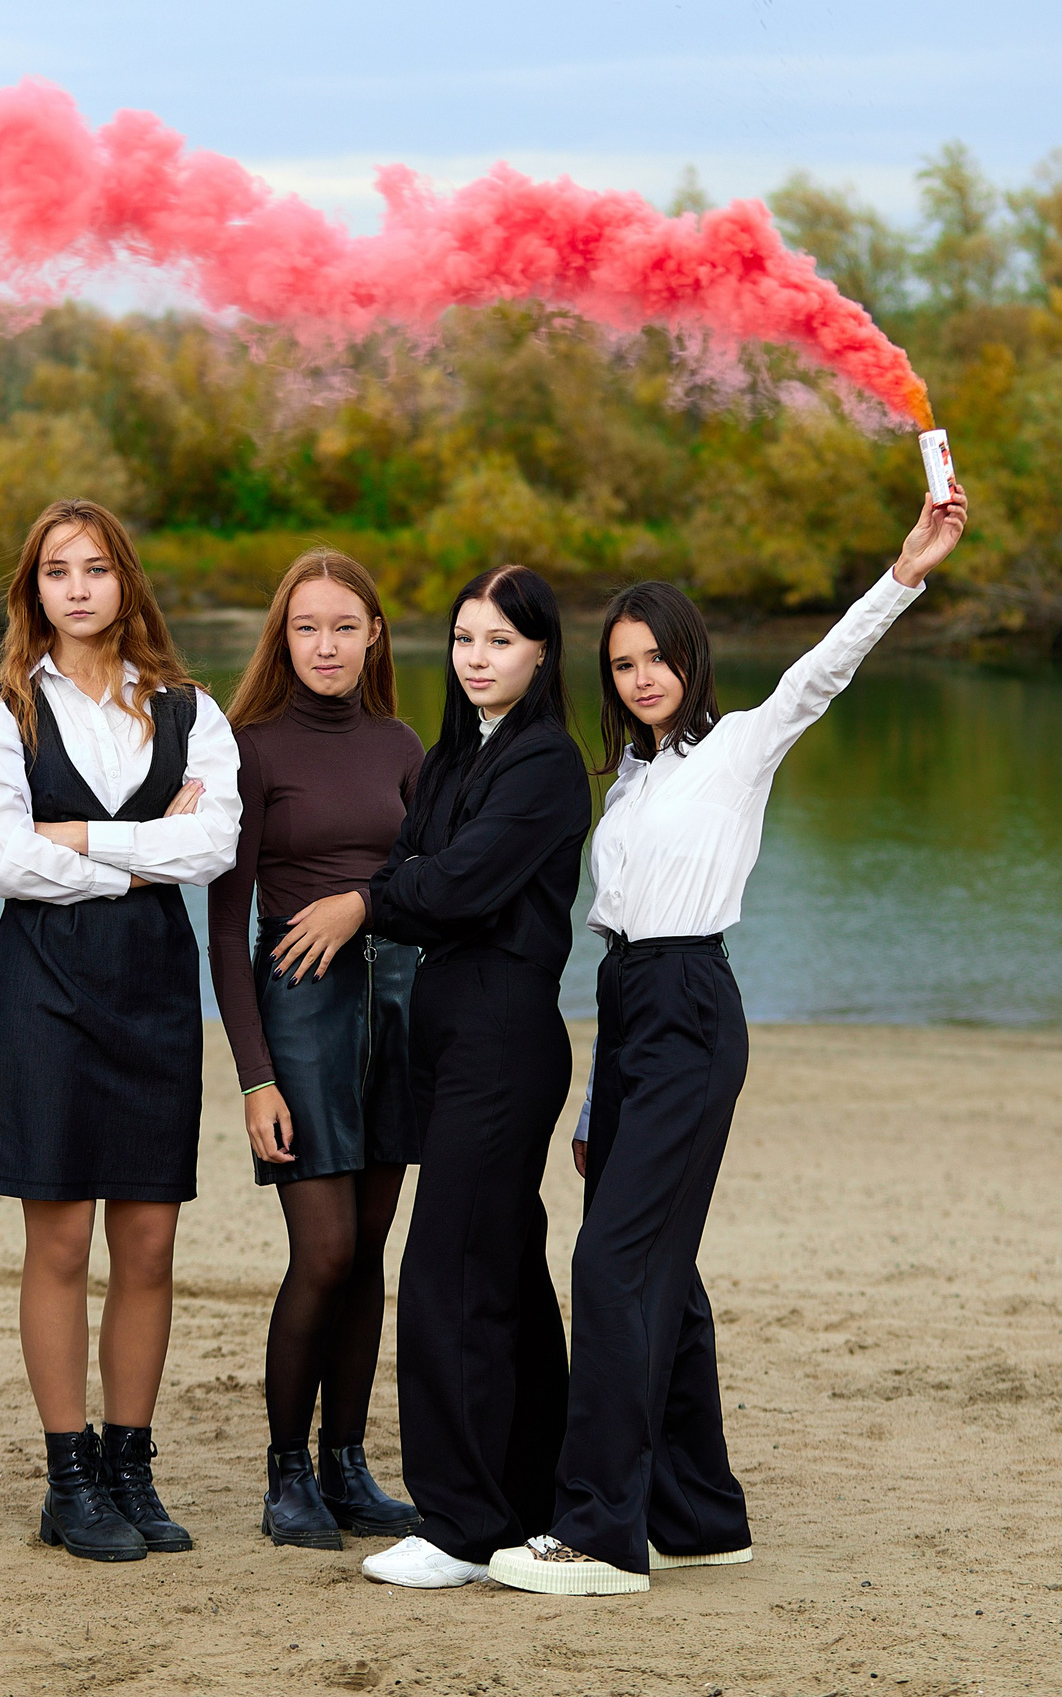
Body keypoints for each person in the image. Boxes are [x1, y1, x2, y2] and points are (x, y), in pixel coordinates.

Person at [487, 487, 969, 1598]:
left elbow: (826, 669)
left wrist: (907, 568)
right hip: (632, 1012)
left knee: (610, 1269)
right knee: (664, 1273)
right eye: (621, 664)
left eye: (657, 657)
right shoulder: (633, 783)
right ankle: (700, 1518)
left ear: (691, 660)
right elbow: (614, 943)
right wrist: (595, 1101)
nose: (641, 677)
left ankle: (602, 1535)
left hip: (695, 1004)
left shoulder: (742, 746)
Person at [0, 499, 242, 1564]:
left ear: (126, 582)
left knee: (152, 1243)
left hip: (155, 992)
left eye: (96, 568)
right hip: (45, 994)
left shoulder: (189, 708)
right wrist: (135, 852)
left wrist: (76, 835)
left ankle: (130, 1464)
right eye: (55, 571)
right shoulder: (0, 712)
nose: (77, 587)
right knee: (61, 1240)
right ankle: (68, 1476)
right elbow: (3, 861)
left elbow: (214, 845)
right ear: (33, 592)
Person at [354, 564, 593, 1591]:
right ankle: (528, 1498)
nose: (477, 658)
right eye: (462, 639)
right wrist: (410, 890)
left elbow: (443, 883)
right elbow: (415, 876)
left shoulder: (545, 763)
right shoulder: (453, 758)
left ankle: (455, 1524)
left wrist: (400, 894)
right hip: (449, 1029)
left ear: (540, 653)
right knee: (497, 1267)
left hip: (503, 1029)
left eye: (499, 640)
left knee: (447, 1264)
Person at [208, 549, 427, 1551]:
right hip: (297, 1016)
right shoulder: (247, 750)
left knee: (370, 1254)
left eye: (344, 626)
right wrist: (255, 1076)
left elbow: (430, 889)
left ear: (373, 634)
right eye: (306, 628)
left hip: (397, 1010)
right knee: (325, 1251)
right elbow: (223, 931)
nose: (326, 645)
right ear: (282, 638)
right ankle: (285, 1471)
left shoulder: (402, 745)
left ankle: (348, 1465)